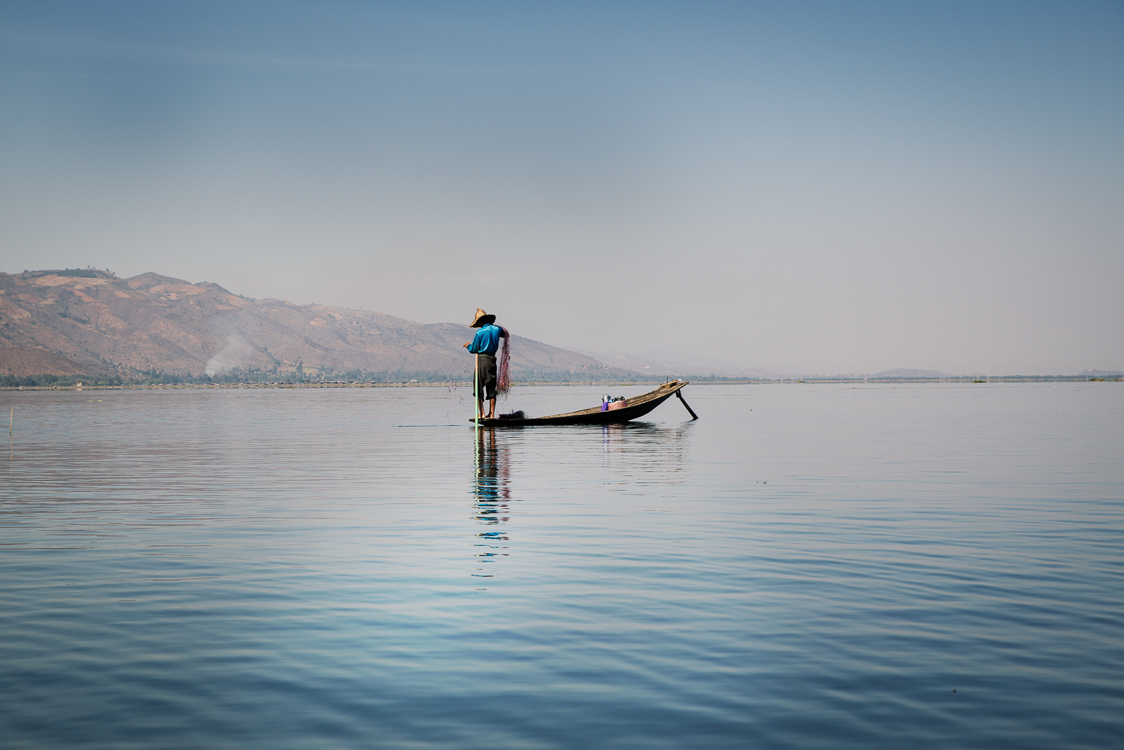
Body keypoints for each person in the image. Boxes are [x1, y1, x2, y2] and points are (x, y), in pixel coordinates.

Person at [464, 308, 507, 419]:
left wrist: (468, 345)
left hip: (482, 360)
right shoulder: (497, 329)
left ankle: (482, 414)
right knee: (491, 387)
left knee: (478, 387)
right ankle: (491, 414)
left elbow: (474, 349)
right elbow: (504, 333)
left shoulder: (480, 332)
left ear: (481, 321)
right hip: (492, 360)